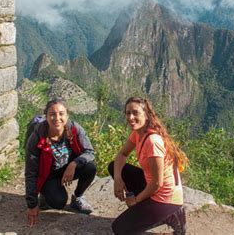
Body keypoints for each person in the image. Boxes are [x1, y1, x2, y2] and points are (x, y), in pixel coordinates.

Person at [108, 96, 188, 234]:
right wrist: (117, 179)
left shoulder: (152, 141)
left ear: (146, 115)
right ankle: (144, 209)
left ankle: (173, 215)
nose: (131, 117)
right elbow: (122, 155)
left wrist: (136, 201)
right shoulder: (138, 133)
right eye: (128, 113)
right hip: (154, 185)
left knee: (119, 229)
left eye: (135, 113)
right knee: (114, 166)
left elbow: (157, 183)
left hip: (167, 198)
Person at [25, 97, 96, 227]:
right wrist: (32, 204)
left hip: (67, 168)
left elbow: (90, 152)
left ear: (67, 116)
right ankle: (45, 194)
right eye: (52, 114)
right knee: (59, 202)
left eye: (61, 114)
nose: (57, 118)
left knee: (90, 168)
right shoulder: (37, 137)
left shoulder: (74, 129)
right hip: (48, 175)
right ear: (46, 117)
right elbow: (31, 172)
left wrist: (74, 164)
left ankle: (78, 197)